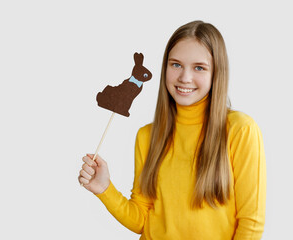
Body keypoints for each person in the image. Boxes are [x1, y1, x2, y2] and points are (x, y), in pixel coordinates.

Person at [78, 20, 266, 240]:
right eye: (175, 64)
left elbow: (251, 223)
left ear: (217, 72)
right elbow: (141, 220)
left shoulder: (240, 130)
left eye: (199, 67)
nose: (184, 77)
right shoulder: (147, 136)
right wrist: (104, 188)